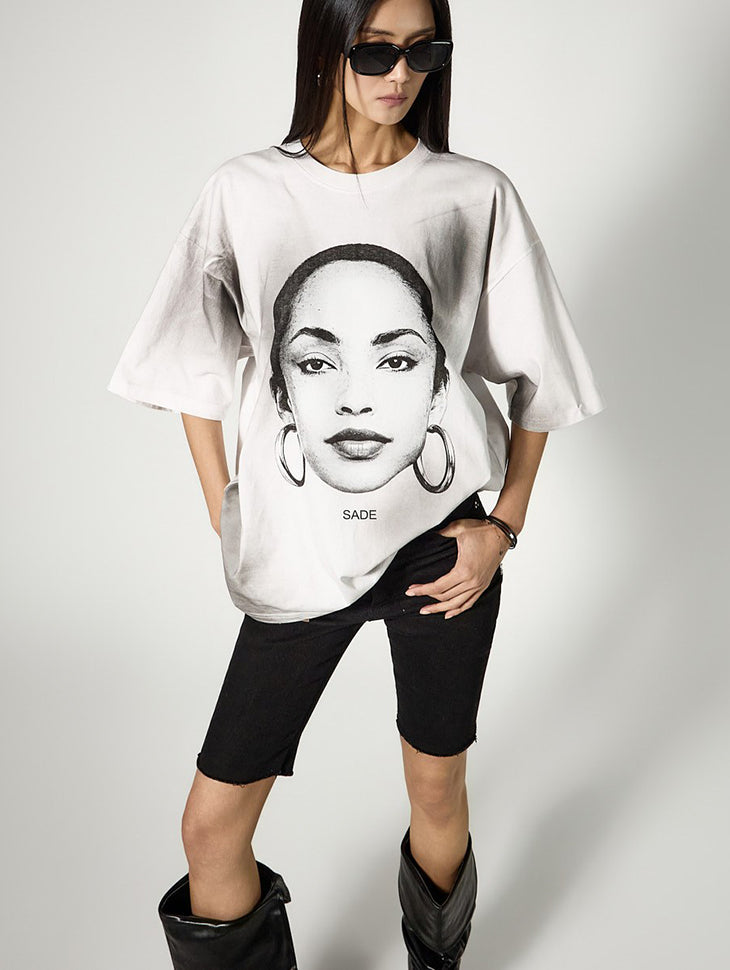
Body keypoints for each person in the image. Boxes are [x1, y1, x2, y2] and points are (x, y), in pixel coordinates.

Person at [107, 1, 606, 967]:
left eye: (424, 51)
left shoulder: (470, 193)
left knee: (436, 787)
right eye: (376, 51)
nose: (400, 74)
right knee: (212, 825)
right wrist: (229, 509)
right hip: (298, 557)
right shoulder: (246, 190)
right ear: (326, 48)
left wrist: (502, 526)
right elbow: (190, 366)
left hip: (442, 553)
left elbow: (541, 376)